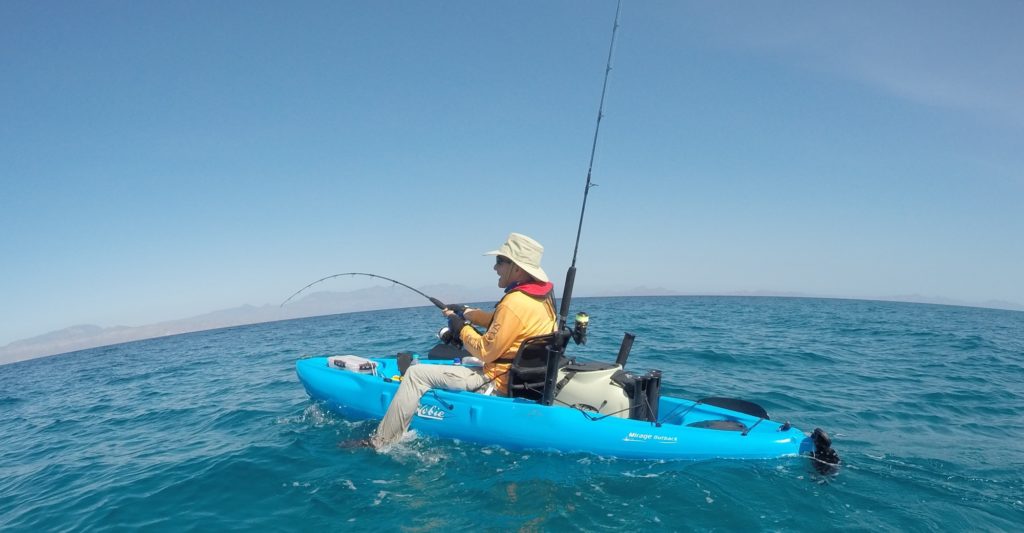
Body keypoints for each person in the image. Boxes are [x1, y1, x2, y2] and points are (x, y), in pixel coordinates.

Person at [368, 233, 557, 449]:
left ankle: (381, 441)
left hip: (497, 381)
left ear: (517, 268)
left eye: (499, 262)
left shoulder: (513, 303)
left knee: (416, 374)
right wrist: (466, 312)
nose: (495, 268)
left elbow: (486, 351)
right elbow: (502, 322)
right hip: (521, 377)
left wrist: (460, 328)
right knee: (464, 358)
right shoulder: (541, 300)